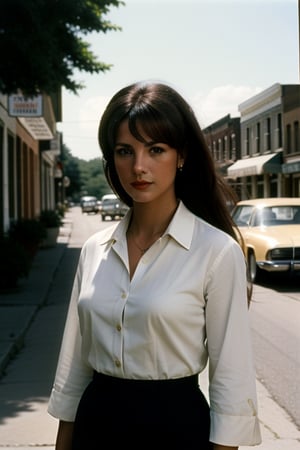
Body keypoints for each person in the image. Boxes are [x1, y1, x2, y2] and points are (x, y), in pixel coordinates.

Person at [48, 80, 262, 450]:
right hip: (94, 427)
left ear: (181, 156)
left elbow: (232, 381)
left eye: (156, 149)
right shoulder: (95, 249)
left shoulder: (216, 251)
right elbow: (74, 369)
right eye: (124, 151)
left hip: (176, 431)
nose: (139, 166)